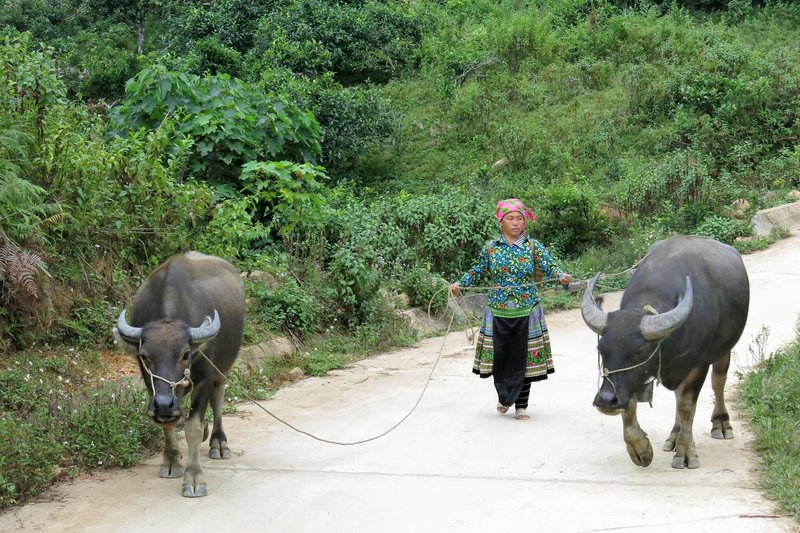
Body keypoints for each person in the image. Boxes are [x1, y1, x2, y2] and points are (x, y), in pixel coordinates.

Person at [450, 198, 571, 421]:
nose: (515, 223)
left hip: (528, 310)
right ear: (501, 222)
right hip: (498, 310)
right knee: (501, 357)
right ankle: (505, 397)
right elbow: (475, 272)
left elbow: (550, 267)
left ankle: (521, 406)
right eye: (510, 219)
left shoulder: (533, 246)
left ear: (525, 222)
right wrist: (460, 284)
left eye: (519, 219)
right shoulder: (491, 248)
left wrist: (561, 277)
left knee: (522, 358)